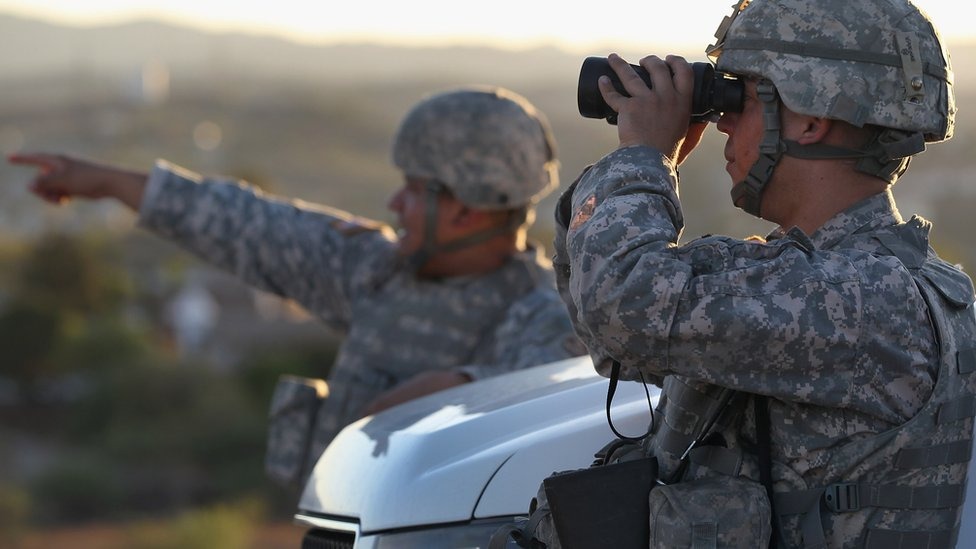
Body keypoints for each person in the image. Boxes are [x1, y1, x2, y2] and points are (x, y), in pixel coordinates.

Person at [552, 0, 975, 546]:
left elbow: (623, 306)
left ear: (810, 120)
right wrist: (635, 172)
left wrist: (644, 158)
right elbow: (613, 335)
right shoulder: (806, 278)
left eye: (743, 98)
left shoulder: (870, 300)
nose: (723, 121)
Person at [9, 86, 585, 485]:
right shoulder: (378, 271)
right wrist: (109, 182)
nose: (394, 203)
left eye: (414, 189)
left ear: (464, 209)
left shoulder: (546, 313)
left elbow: (549, 398)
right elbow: (250, 224)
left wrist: (457, 389)